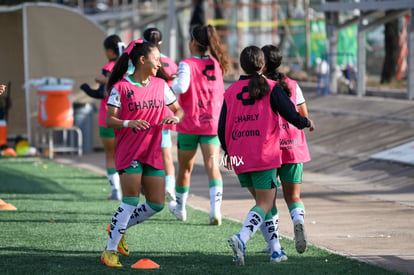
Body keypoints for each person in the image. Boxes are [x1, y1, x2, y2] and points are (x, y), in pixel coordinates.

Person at [218, 46, 314, 266]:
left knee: (265, 204)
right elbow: (293, 114)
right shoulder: (272, 87)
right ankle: (242, 239)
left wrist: (227, 152)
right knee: (264, 203)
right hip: (264, 154)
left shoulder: (230, 90)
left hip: (239, 155)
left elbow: (221, 127)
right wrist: (307, 122)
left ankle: (276, 251)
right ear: (262, 65)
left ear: (241, 65)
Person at [100, 38, 185, 268]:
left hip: (152, 152)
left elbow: (179, 110)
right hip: (129, 153)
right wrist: (129, 123)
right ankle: (109, 252)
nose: (160, 63)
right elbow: (110, 120)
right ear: (142, 60)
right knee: (129, 201)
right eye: (156, 59)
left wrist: (174, 117)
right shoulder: (121, 87)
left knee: (156, 204)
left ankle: (119, 227)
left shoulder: (160, 85)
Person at [168, 24, 230, 226]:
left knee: (185, 168)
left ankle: (180, 208)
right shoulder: (217, 64)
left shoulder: (186, 64)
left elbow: (181, 86)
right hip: (212, 124)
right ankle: (215, 210)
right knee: (213, 167)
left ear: (193, 42)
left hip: (190, 123)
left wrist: (167, 85)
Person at [261, 44, 312, 254]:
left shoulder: (260, 85)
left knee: (267, 199)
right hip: (293, 146)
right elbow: (303, 114)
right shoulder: (292, 84)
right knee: (294, 197)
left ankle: (274, 244)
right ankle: (298, 220)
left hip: (269, 149)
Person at [80, 35, 125, 201]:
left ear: (109, 51)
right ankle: (132, 188)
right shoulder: (128, 66)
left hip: (108, 116)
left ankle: (116, 191)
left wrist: (85, 88)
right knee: (127, 154)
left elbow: (101, 93)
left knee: (110, 155)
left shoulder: (108, 67)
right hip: (125, 116)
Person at [143, 27, 178, 202]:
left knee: (142, 152)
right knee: (166, 155)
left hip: (145, 111)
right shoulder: (170, 63)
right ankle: (170, 187)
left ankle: (144, 188)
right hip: (164, 113)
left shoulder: (141, 61)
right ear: (161, 43)